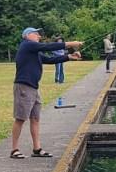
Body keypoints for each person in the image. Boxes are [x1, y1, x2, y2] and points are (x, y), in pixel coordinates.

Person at [11, 27, 83, 159]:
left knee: (35, 118)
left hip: (33, 87)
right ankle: (14, 149)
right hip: (24, 87)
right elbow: (48, 47)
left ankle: (37, 149)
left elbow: (49, 60)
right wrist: (71, 44)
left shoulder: (33, 51)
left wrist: (69, 57)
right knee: (20, 118)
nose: (39, 36)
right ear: (28, 35)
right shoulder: (27, 46)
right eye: (36, 33)